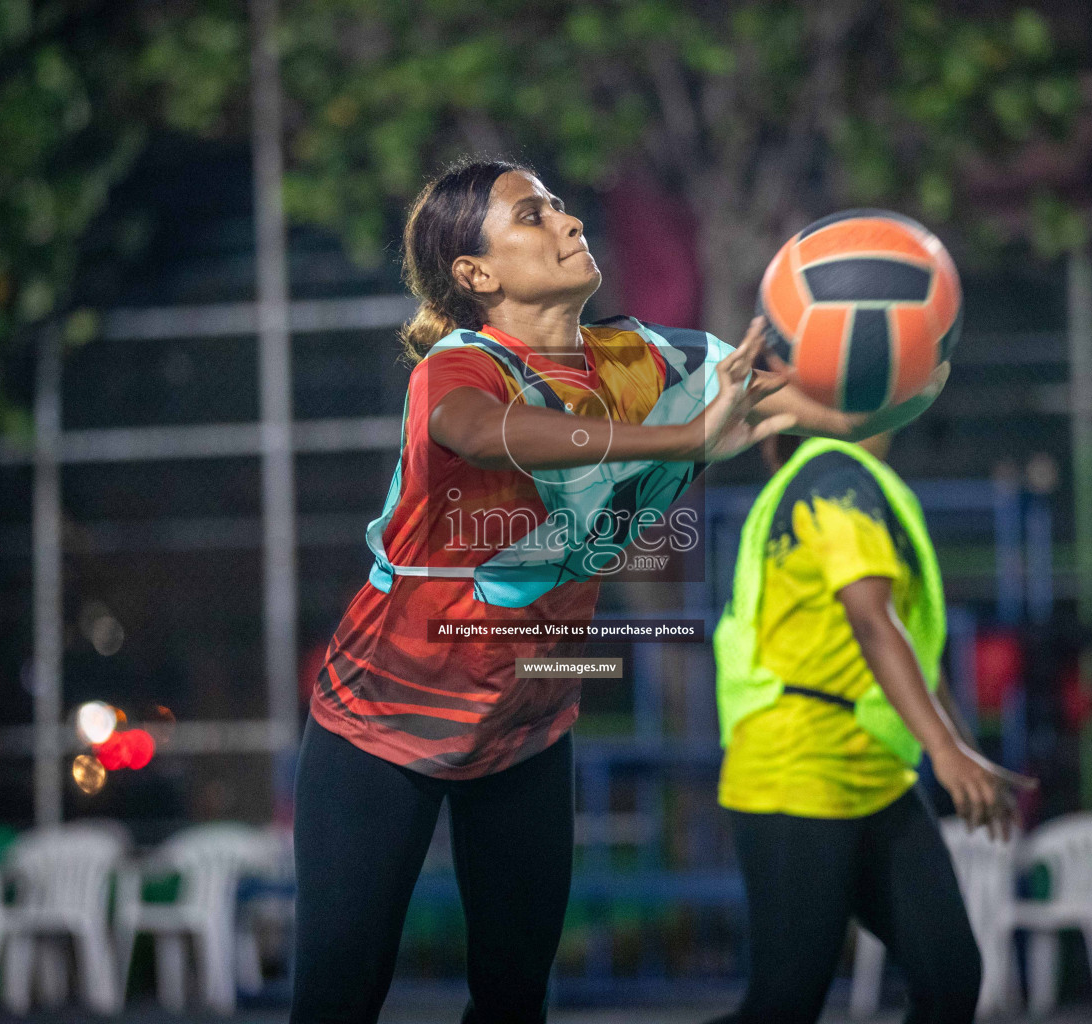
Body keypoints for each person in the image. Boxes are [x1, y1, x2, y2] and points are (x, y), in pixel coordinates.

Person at [290, 158, 946, 1024]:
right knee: (336, 1003)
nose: (567, 221)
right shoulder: (459, 372)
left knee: (516, 1005)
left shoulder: (648, 361)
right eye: (532, 215)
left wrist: (894, 384)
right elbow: (487, 435)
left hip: (524, 726)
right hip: (381, 720)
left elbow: (799, 404)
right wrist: (677, 440)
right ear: (474, 275)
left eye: (561, 205)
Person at [707, 429, 1035, 1024]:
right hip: (798, 768)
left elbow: (905, 645)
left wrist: (961, 750)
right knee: (783, 1006)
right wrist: (945, 750)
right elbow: (872, 621)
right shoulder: (834, 478)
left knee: (950, 977)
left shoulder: (863, 482)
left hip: (875, 774)